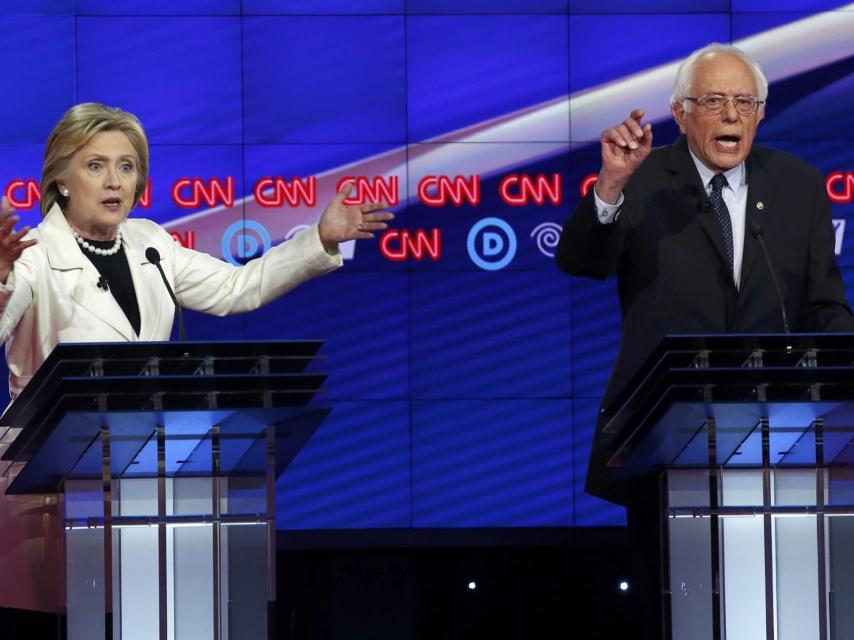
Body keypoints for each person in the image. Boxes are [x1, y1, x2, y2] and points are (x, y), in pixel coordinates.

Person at [556, 43, 854, 638]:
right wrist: (610, 185)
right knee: (674, 611)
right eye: (714, 101)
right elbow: (580, 261)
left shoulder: (797, 185)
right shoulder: (642, 182)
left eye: (745, 102)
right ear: (681, 110)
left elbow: (825, 306)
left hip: (783, 443)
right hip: (664, 443)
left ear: (762, 114)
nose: (731, 116)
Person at [0, 102, 393, 400]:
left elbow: (238, 287)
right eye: (96, 166)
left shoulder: (150, 243)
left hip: (143, 462)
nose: (114, 182)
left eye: (126, 167)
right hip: (45, 474)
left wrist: (320, 238)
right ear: (62, 180)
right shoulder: (33, 256)